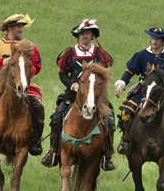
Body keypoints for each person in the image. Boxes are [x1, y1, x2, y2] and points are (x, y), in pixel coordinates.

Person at [41, 19, 118, 171]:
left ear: (92, 36)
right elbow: (62, 73)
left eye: (88, 34)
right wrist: (72, 85)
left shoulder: (100, 53)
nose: (85, 37)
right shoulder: (70, 53)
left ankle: (107, 154)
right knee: (57, 116)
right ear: (78, 36)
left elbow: (106, 72)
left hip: (95, 93)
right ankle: (53, 151)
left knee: (109, 117)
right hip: (74, 90)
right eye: (82, 34)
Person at [0, 14, 44, 156]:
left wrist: (24, 73)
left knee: (38, 106)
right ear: (9, 28)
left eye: (22, 27)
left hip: (24, 82)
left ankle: (35, 140)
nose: (21, 30)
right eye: (18, 27)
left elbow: (37, 65)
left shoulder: (29, 46)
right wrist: (6, 62)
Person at [112, 26, 164, 158]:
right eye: (152, 38)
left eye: (157, 39)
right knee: (126, 112)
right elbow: (129, 71)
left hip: (162, 91)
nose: (154, 41)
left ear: (162, 41)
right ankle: (126, 141)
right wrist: (121, 84)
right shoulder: (141, 55)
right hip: (144, 90)